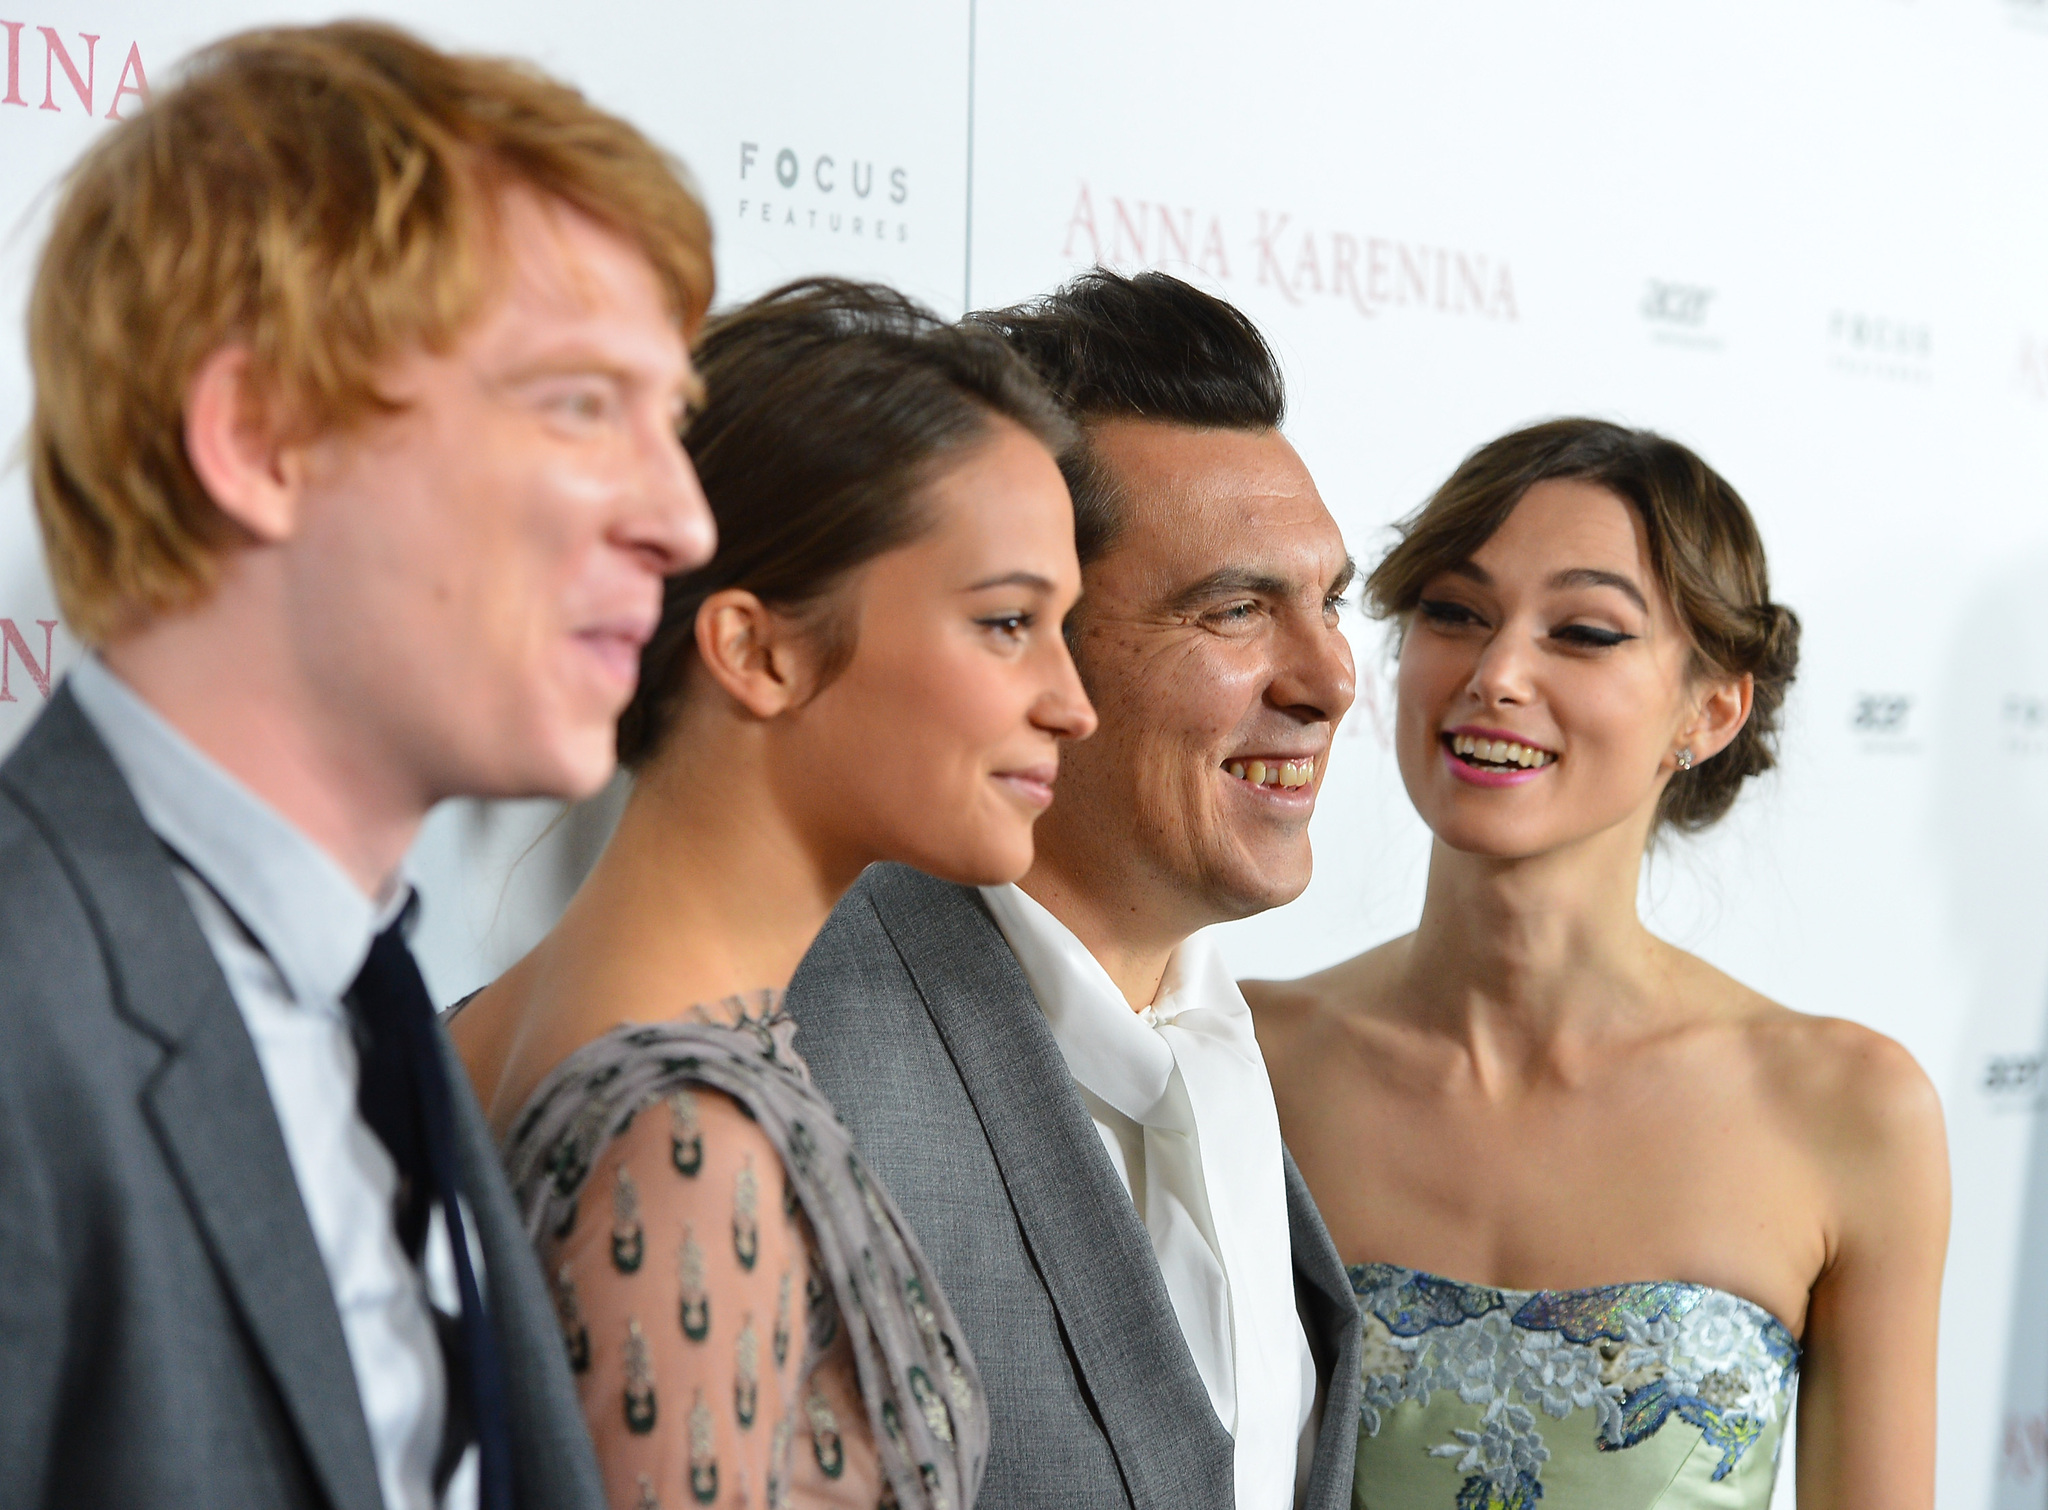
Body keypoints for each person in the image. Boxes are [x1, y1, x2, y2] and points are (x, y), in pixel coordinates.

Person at [0, 21, 719, 1510]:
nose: (683, 521)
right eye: (583, 401)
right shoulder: (27, 1009)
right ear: (261, 435)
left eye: (676, 420)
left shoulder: (370, 1008)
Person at [449, 277, 1097, 1510]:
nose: (1071, 702)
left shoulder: (491, 1026)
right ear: (759, 649)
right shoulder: (684, 1139)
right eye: (1007, 622)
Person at [1246, 419, 1948, 1510]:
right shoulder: (1242, 1062)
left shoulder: (1846, 1107)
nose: (1494, 673)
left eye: (1580, 630)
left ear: (1710, 708)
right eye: (1452, 613)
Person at [785, 269, 1366, 1510]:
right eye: (1233, 609)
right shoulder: (785, 1062)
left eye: (1329, 600)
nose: (1327, 678)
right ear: (1020, 634)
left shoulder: (1241, 1051)